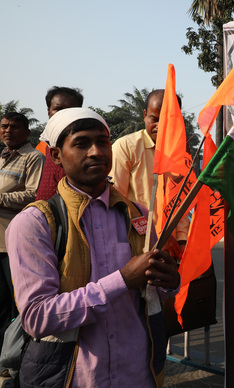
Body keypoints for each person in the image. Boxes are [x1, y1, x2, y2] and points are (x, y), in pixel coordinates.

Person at [6, 107, 179, 387]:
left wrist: (169, 282)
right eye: (82, 143)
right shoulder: (35, 223)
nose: (97, 152)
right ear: (57, 156)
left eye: (102, 141)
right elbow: (37, 317)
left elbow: (153, 296)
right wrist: (121, 280)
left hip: (139, 374)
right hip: (72, 376)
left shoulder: (141, 216)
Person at [110, 89, 189, 251]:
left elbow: (181, 201)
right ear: (145, 115)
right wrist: (153, 236)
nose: (160, 127)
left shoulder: (181, 154)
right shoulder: (126, 147)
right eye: (154, 119)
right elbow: (116, 202)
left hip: (171, 248)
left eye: (168, 120)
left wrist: (182, 240)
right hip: (135, 244)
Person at [0, 112, 45, 353]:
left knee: (21, 305)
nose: (8, 131)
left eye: (15, 127)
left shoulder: (33, 157)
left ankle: (20, 360)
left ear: (27, 132)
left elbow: (33, 195)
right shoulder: (1, 156)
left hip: (14, 244)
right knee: (1, 305)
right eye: (4, 126)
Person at [36, 86, 84, 201]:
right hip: (44, 210)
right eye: (58, 109)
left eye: (71, 110)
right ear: (49, 112)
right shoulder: (44, 143)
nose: (64, 114)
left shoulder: (86, 143)